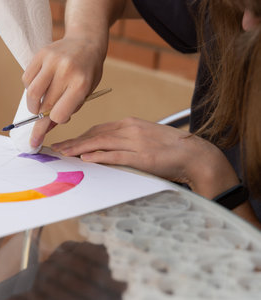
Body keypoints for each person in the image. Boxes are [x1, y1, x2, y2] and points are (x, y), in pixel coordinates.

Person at [22, 0, 261, 222]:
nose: (246, 24)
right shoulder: (229, 11)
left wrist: (206, 169)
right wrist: (84, 36)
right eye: (242, 6)